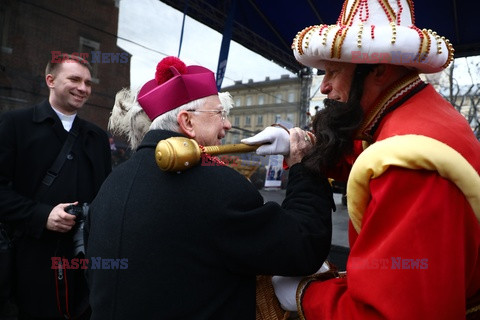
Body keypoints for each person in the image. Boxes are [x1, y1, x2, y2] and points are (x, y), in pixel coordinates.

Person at [253, 0, 480, 318]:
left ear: (378, 69)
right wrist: (304, 142)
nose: (325, 87)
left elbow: (390, 313)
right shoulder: (413, 117)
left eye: (334, 71)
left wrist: (306, 294)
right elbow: (363, 154)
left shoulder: (409, 164)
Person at [84, 56, 334, 319]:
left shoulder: (112, 183)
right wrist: (304, 165)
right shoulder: (220, 187)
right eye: (219, 114)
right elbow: (305, 245)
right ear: (187, 122)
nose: (226, 124)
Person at [0, 54, 112, 319]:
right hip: (29, 262)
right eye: (74, 79)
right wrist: (41, 215)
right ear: (50, 80)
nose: (83, 88)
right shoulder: (15, 124)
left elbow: (105, 194)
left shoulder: (97, 137)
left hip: (83, 262)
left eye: (87, 82)